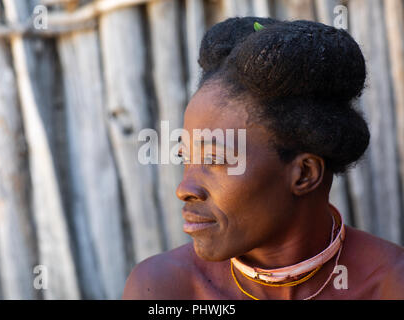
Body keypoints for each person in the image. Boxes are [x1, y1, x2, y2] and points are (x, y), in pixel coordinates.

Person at [123, 17, 404, 300]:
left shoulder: (390, 286)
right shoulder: (163, 288)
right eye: (186, 157)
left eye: (214, 159)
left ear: (304, 173)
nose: (184, 189)